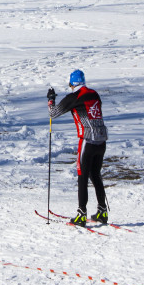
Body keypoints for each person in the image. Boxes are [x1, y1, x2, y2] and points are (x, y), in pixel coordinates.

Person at [48, 69, 108, 226]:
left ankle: (81, 214)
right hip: (101, 141)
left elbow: (53, 114)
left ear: (71, 84)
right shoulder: (94, 94)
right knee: (95, 174)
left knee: (82, 175)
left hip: (87, 140)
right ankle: (102, 211)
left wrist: (51, 100)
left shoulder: (74, 97)